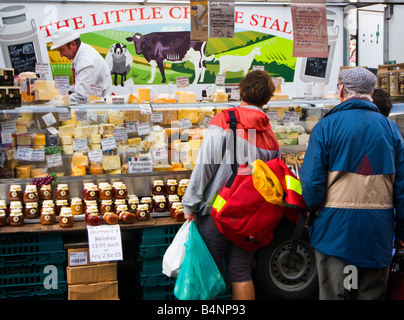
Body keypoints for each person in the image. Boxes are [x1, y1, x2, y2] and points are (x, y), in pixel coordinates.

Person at [299, 67, 404, 300]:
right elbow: (402, 188)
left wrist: (315, 210)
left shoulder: (326, 127)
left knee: (339, 292)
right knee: (369, 294)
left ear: (342, 90)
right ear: (371, 92)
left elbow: (311, 182)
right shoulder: (391, 129)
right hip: (377, 234)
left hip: (336, 232)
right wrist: (401, 229)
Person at [182, 70, 280, 300]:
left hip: (216, 210)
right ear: (267, 99)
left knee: (208, 272)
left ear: (241, 91)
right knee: (241, 273)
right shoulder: (269, 133)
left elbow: (205, 166)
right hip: (248, 217)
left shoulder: (224, 120)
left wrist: (189, 204)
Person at [51, 27, 112, 103]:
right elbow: (80, 85)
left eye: (62, 50)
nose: (61, 55)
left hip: (98, 109)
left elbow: (80, 96)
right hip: (93, 106)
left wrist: (56, 101)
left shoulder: (87, 61)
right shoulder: (81, 54)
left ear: (73, 44)